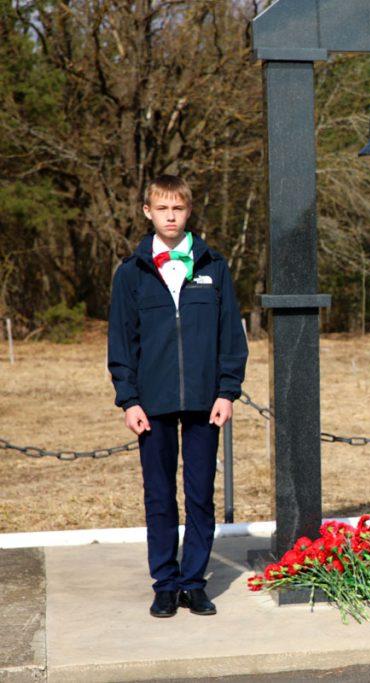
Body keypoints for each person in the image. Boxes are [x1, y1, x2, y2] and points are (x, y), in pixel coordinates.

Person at [108, 175, 248, 618]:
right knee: (160, 496)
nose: (171, 216)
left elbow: (231, 337)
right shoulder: (131, 273)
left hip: (207, 402)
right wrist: (129, 399)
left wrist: (227, 391)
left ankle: (194, 582)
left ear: (189, 212)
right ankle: (166, 584)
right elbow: (122, 342)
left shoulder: (214, 266)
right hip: (152, 404)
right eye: (162, 209)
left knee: (200, 494)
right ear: (147, 212)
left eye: (179, 209)